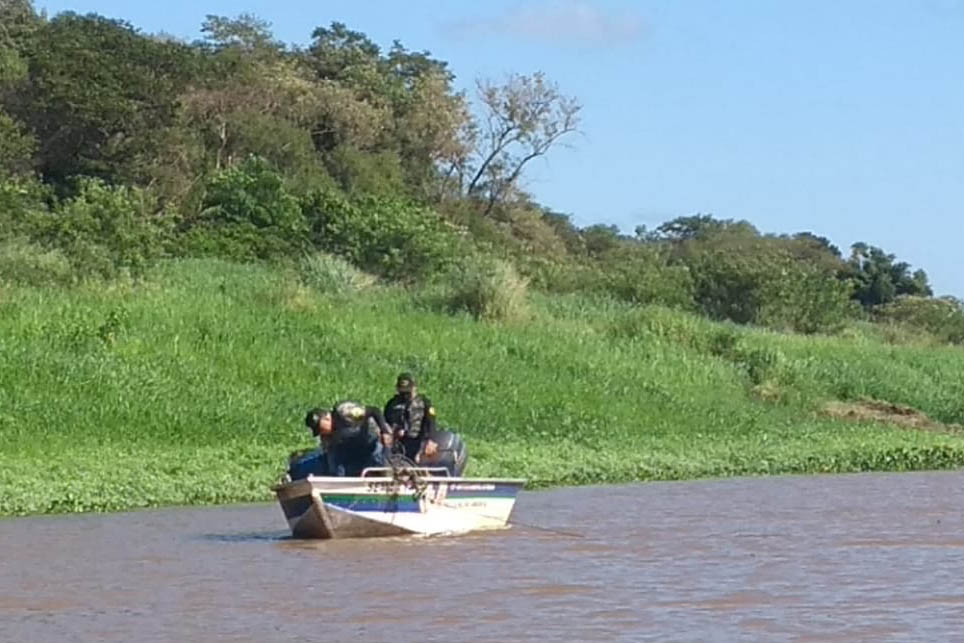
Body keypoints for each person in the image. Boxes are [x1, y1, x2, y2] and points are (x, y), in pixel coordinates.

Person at [325, 400, 394, 476]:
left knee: (379, 458)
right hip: (354, 445)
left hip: (371, 437)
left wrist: (384, 431)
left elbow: (373, 410)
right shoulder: (327, 435)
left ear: (327, 418)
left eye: (322, 428)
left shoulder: (345, 412)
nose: (323, 432)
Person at [383, 372, 438, 462]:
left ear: (414, 388)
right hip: (395, 442)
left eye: (408, 392)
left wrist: (431, 440)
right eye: (402, 391)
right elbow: (385, 422)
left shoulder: (424, 403)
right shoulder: (392, 404)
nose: (405, 395)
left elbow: (431, 422)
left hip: (416, 441)